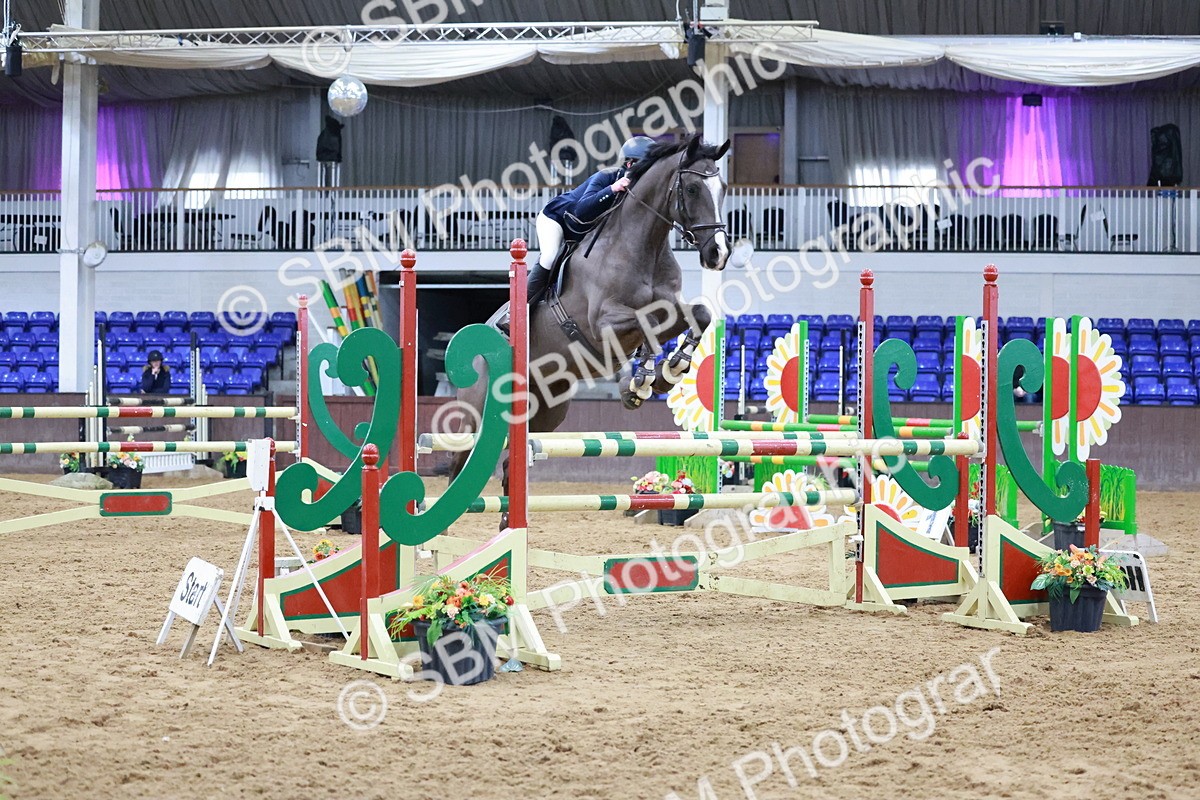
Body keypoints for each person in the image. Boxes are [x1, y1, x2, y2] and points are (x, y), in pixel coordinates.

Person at [527, 135, 656, 304]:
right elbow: (581, 211)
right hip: (557, 218)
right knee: (550, 256)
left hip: (583, 233)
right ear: (630, 164)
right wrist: (612, 189)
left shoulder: (640, 191)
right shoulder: (606, 176)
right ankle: (517, 308)